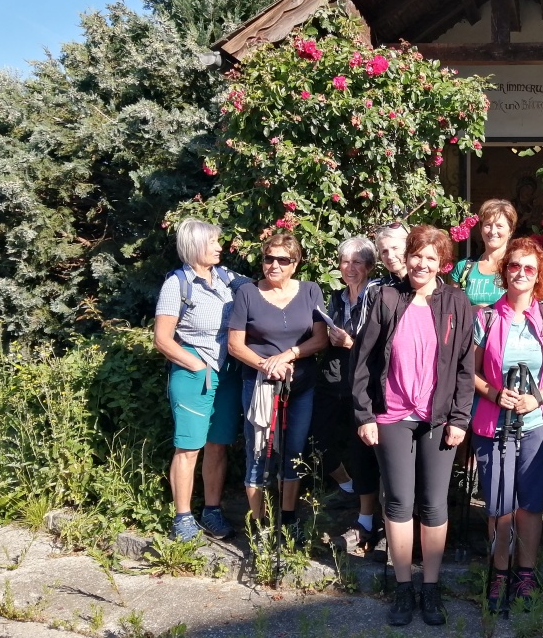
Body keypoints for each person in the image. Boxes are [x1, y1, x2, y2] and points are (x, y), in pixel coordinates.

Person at [352, 225, 475, 627]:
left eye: (430, 258)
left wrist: (460, 418)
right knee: (399, 502)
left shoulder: (456, 302)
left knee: (434, 504)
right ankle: (404, 587)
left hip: (438, 419)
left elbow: (463, 367)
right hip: (392, 416)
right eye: (416, 255)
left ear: (442, 264)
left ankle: (431, 588)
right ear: (406, 258)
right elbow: (365, 361)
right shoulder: (387, 297)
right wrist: (365, 415)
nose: (421, 264)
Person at [473, 237, 543, 613]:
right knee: (499, 504)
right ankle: (498, 572)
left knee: (530, 504)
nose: (521, 273)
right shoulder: (485, 316)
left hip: (537, 422)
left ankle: (525, 574)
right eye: (514, 266)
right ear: (504, 270)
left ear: (539, 274)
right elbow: (471, 372)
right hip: (493, 422)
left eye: (529, 268)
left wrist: (538, 398)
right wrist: (495, 394)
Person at [153, 219, 250, 541]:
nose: (220, 247)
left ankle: (212, 511)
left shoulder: (227, 279)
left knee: (218, 445)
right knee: (188, 447)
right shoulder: (177, 285)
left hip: (229, 373)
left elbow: (261, 293)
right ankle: (182, 518)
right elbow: (162, 339)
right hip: (194, 374)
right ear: (196, 246)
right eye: (213, 243)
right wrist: (196, 365)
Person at [227, 233, 329, 536]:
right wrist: (266, 365)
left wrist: (289, 355)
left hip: (300, 385)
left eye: (282, 259)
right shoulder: (247, 293)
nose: (273, 265)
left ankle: (287, 518)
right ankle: (258, 524)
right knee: (258, 451)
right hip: (259, 385)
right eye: (268, 258)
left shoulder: (311, 291)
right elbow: (235, 345)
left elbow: (320, 339)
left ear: (294, 264)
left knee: (294, 452)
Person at [314, 238, 383, 557]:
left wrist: (349, 342)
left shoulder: (378, 296)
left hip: (364, 382)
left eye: (357, 262)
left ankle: (366, 517)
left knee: (362, 449)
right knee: (318, 438)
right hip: (333, 377)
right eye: (345, 262)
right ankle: (346, 486)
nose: (350, 268)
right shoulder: (336, 298)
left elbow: (381, 347)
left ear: (369, 267)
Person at [450, 199, 516, 309]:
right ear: (481, 229)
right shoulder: (463, 268)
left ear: (510, 230)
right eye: (488, 225)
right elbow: (454, 310)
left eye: (499, 226)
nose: (493, 231)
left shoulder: (517, 268)